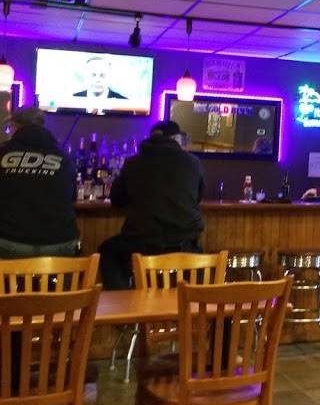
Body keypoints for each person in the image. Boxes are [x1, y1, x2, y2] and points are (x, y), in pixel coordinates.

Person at [99, 120, 205, 289]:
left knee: (107, 250)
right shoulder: (193, 162)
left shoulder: (133, 163)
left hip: (141, 244)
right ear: (177, 139)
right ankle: (189, 298)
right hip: (185, 245)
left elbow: (117, 200)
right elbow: (199, 197)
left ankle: (122, 300)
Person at [0, 106, 79, 258]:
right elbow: (72, 197)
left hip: (11, 244)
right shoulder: (64, 157)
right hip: (61, 245)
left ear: (15, 127)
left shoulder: (2, 153)